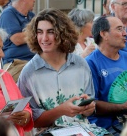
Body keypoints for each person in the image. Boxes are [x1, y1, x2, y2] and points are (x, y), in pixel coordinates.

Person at [17, 8, 110, 136]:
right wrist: (60, 111)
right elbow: (30, 120)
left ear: (62, 33)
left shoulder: (80, 64)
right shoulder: (29, 73)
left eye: (50, 32)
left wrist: (89, 108)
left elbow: (89, 107)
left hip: (83, 130)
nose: (44, 38)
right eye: (39, 32)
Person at [85, 16, 127, 135]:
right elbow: (91, 105)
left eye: (124, 29)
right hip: (104, 128)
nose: (125, 33)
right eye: (119, 29)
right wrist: (123, 106)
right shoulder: (90, 63)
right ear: (104, 34)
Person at [0, 24, 33, 136]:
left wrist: (25, 116)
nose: (2, 54)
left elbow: (25, 107)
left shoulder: (4, 75)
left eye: (2, 48)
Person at [0, 0, 35, 82]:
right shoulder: (8, 14)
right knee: (39, 76)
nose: (34, 0)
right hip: (15, 63)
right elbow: (17, 39)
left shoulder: (31, 16)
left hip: (34, 61)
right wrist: (36, 31)